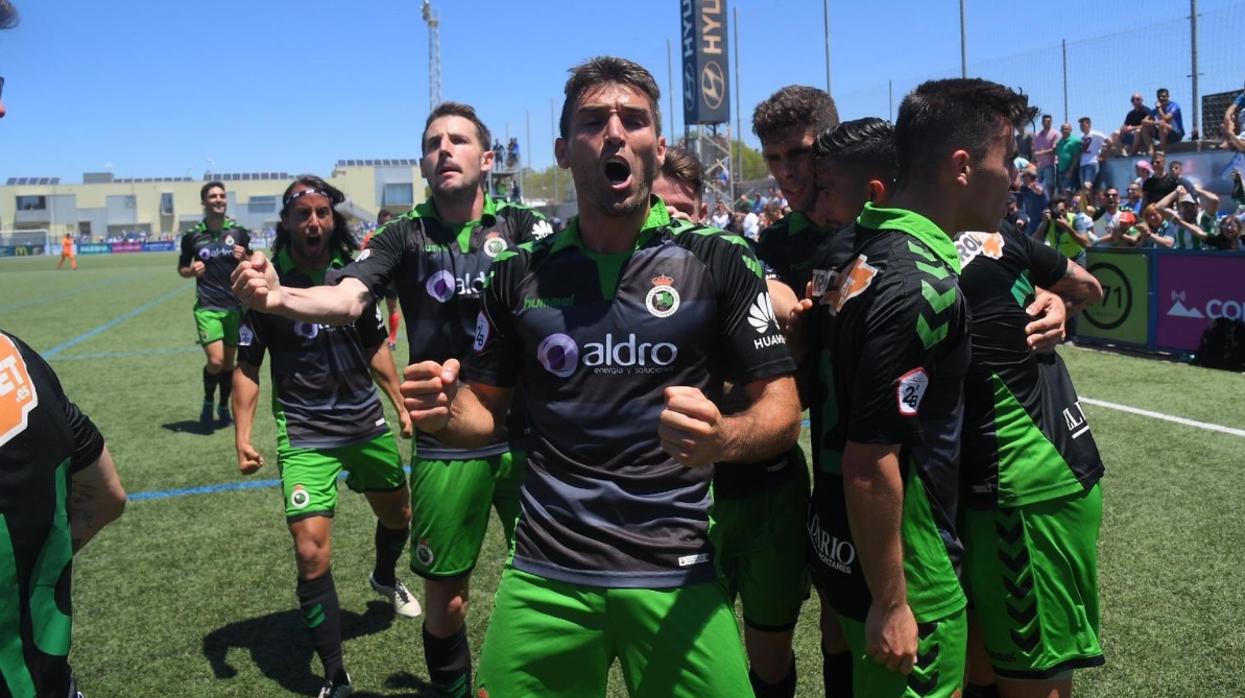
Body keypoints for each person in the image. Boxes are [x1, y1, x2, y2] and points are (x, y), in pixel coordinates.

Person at [401, 55, 801, 698]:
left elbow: (782, 411)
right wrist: (446, 409)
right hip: (545, 574)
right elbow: (486, 414)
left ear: (658, 145)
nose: (615, 133)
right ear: (563, 150)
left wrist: (722, 438)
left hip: (678, 571)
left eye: (634, 120)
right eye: (594, 122)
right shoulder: (519, 276)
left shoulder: (717, 261)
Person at [232, 101, 549, 698]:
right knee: (448, 602)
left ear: (486, 158)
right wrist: (278, 301)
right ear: (424, 165)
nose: (444, 149)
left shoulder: (528, 230)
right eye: (433, 143)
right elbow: (349, 299)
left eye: (458, 140)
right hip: (446, 437)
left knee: (547, 583)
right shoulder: (403, 235)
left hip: (532, 435)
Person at [806, 78, 1036, 698]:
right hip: (912, 568)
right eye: (1006, 159)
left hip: (857, 550)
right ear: (962, 166)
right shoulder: (921, 281)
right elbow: (870, 460)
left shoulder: (867, 249)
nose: (1013, 177)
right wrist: (895, 601)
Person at [232, 176, 420, 698]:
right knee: (312, 553)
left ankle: (384, 576)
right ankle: (335, 677)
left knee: (399, 516)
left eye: (322, 213)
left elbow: (376, 348)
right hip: (306, 432)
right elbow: (247, 369)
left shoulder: (351, 281)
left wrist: (400, 402)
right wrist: (243, 434)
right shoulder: (264, 287)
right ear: (288, 224)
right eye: (303, 214)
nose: (314, 222)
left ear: (331, 221)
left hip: (364, 423)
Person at [955, 206, 1106, 698]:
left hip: (1026, 478)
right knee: (980, 659)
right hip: (975, 482)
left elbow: (1087, 288)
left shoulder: (985, 236)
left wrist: (1053, 301)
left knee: (1031, 676)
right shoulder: (989, 237)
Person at [178, 181, 252, 429]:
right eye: (213, 196)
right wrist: (191, 270)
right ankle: (208, 401)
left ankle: (222, 405)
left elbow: (252, 263)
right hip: (208, 307)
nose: (219, 199)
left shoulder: (239, 232)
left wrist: (247, 258)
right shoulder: (192, 236)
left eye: (222, 195)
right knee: (217, 362)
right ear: (204, 202)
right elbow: (182, 269)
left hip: (235, 308)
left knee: (229, 365)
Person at [362, 209, 400, 351]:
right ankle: (383, 339)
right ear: (379, 221)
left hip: (389, 278)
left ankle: (390, 339)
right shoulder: (371, 237)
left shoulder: (395, 237)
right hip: (376, 277)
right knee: (374, 309)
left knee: (387, 308)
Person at [1142, 88, 1184, 153]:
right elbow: (1143, 121)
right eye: (1159, 97)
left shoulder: (1174, 106)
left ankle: (1162, 151)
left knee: (1162, 125)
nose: (1161, 98)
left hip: (1176, 134)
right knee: (1144, 128)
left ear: (1168, 96)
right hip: (1162, 134)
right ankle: (1151, 151)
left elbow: (1165, 118)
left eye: (1163, 96)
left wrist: (1159, 108)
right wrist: (1156, 123)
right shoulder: (1156, 110)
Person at [1076, 117, 1107, 192]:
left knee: (1087, 185)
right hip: (1082, 163)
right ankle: (1088, 202)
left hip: (1091, 162)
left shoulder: (1095, 134)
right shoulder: (1081, 137)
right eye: (1080, 126)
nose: (1081, 127)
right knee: (1084, 187)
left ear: (1089, 124)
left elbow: (1109, 142)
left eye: (1083, 125)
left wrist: (1103, 155)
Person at [1032, 115, 1059, 196]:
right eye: (1045, 121)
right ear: (1042, 122)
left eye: (1048, 121)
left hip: (1050, 165)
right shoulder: (1036, 135)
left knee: (1049, 185)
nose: (1047, 123)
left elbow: (1055, 150)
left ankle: (1050, 205)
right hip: (1039, 166)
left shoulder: (1056, 133)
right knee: (1038, 187)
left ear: (1051, 122)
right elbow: (1034, 149)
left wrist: (1040, 153)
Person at [1054, 122, 1080, 195]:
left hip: (1070, 170)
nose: (1065, 131)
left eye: (1067, 129)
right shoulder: (1059, 142)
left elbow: (1077, 156)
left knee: (1068, 191)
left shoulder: (1075, 141)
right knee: (1063, 192)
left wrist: (1071, 170)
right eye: (1063, 129)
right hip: (1060, 170)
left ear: (1071, 130)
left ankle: (1071, 206)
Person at [1223, 81, 1245, 152]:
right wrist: (1227, 117)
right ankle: (1227, 141)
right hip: (1242, 128)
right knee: (1230, 116)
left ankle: (1234, 139)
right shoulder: (1242, 96)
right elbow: (1232, 108)